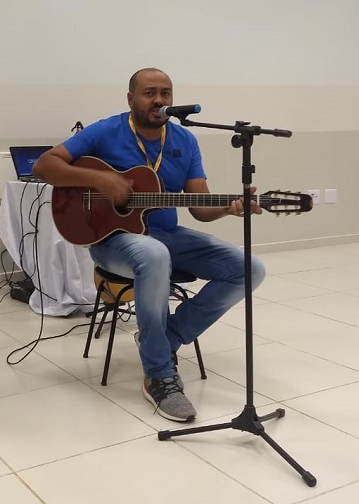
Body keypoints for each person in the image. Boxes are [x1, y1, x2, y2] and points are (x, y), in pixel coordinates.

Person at [32, 67, 265, 422]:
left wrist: (229, 207)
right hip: (113, 240)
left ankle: (164, 339)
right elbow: (44, 165)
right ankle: (158, 374)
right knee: (154, 254)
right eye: (149, 92)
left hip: (169, 236)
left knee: (249, 268)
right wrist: (101, 180)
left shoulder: (185, 140)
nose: (159, 100)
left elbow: (200, 208)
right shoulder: (106, 130)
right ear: (131, 99)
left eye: (165, 93)